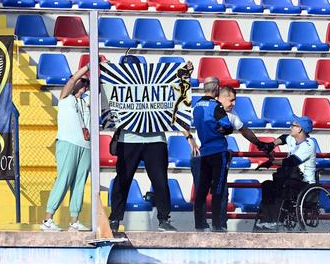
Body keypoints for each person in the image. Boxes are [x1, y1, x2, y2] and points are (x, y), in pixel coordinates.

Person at [108, 60, 199, 233]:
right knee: (122, 180)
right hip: (128, 139)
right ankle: (115, 218)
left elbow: (175, 105)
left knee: (160, 181)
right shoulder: (119, 85)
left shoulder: (155, 82)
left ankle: (164, 219)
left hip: (155, 139)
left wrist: (183, 72)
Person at [196, 86, 270, 229]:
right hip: (205, 154)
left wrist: (259, 144)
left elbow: (243, 130)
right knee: (209, 190)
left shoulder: (228, 112)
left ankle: (215, 225)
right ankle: (208, 225)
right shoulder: (213, 108)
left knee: (216, 191)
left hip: (208, 153)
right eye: (231, 100)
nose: (234, 103)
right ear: (221, 97)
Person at [40, 65, 92, 232]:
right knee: (64, 180)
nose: (85, 84)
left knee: (79, 183)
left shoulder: (86, 101)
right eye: (82, 81)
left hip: (85, 145)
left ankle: (74, 220)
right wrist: (87, 68)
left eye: (87, 83)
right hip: (68, 142)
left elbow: (101, 90)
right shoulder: (65, 98)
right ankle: (48, 219)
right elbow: (72, 80)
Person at [254, 118, 316, 231]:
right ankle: (267, 219)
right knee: (267, 185)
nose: (290, 127)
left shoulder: (309, 144)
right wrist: (271, 145)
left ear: (300, 129)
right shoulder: (293, 139)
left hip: (304, 182)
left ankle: (275, 220)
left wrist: (271, 162)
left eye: (294, 125)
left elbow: (291, 161)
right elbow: (283, 138)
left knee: (282, 186)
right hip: (292, 177)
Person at [192, 77, 234, 232]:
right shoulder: (216, 106)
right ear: (216, 88)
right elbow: (227, 126)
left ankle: (200, 224)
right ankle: (217, 224)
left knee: (201, 189)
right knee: (218, 188)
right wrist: (223, 129)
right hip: (218, 150)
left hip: (204, 152)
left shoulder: (196, 106)